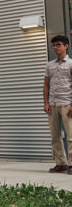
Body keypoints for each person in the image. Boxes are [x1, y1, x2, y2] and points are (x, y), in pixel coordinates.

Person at [43, 35, 72, 174]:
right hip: (53, 104)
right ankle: (61, 163)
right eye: (54, 45)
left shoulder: (71, 64)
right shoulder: (50, 65)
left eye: (59, 45)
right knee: (55, 136)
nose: (56, 47)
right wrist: (46, 102)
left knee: (71, 136)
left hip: (67, 103)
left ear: (66, 46)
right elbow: (46, 84)